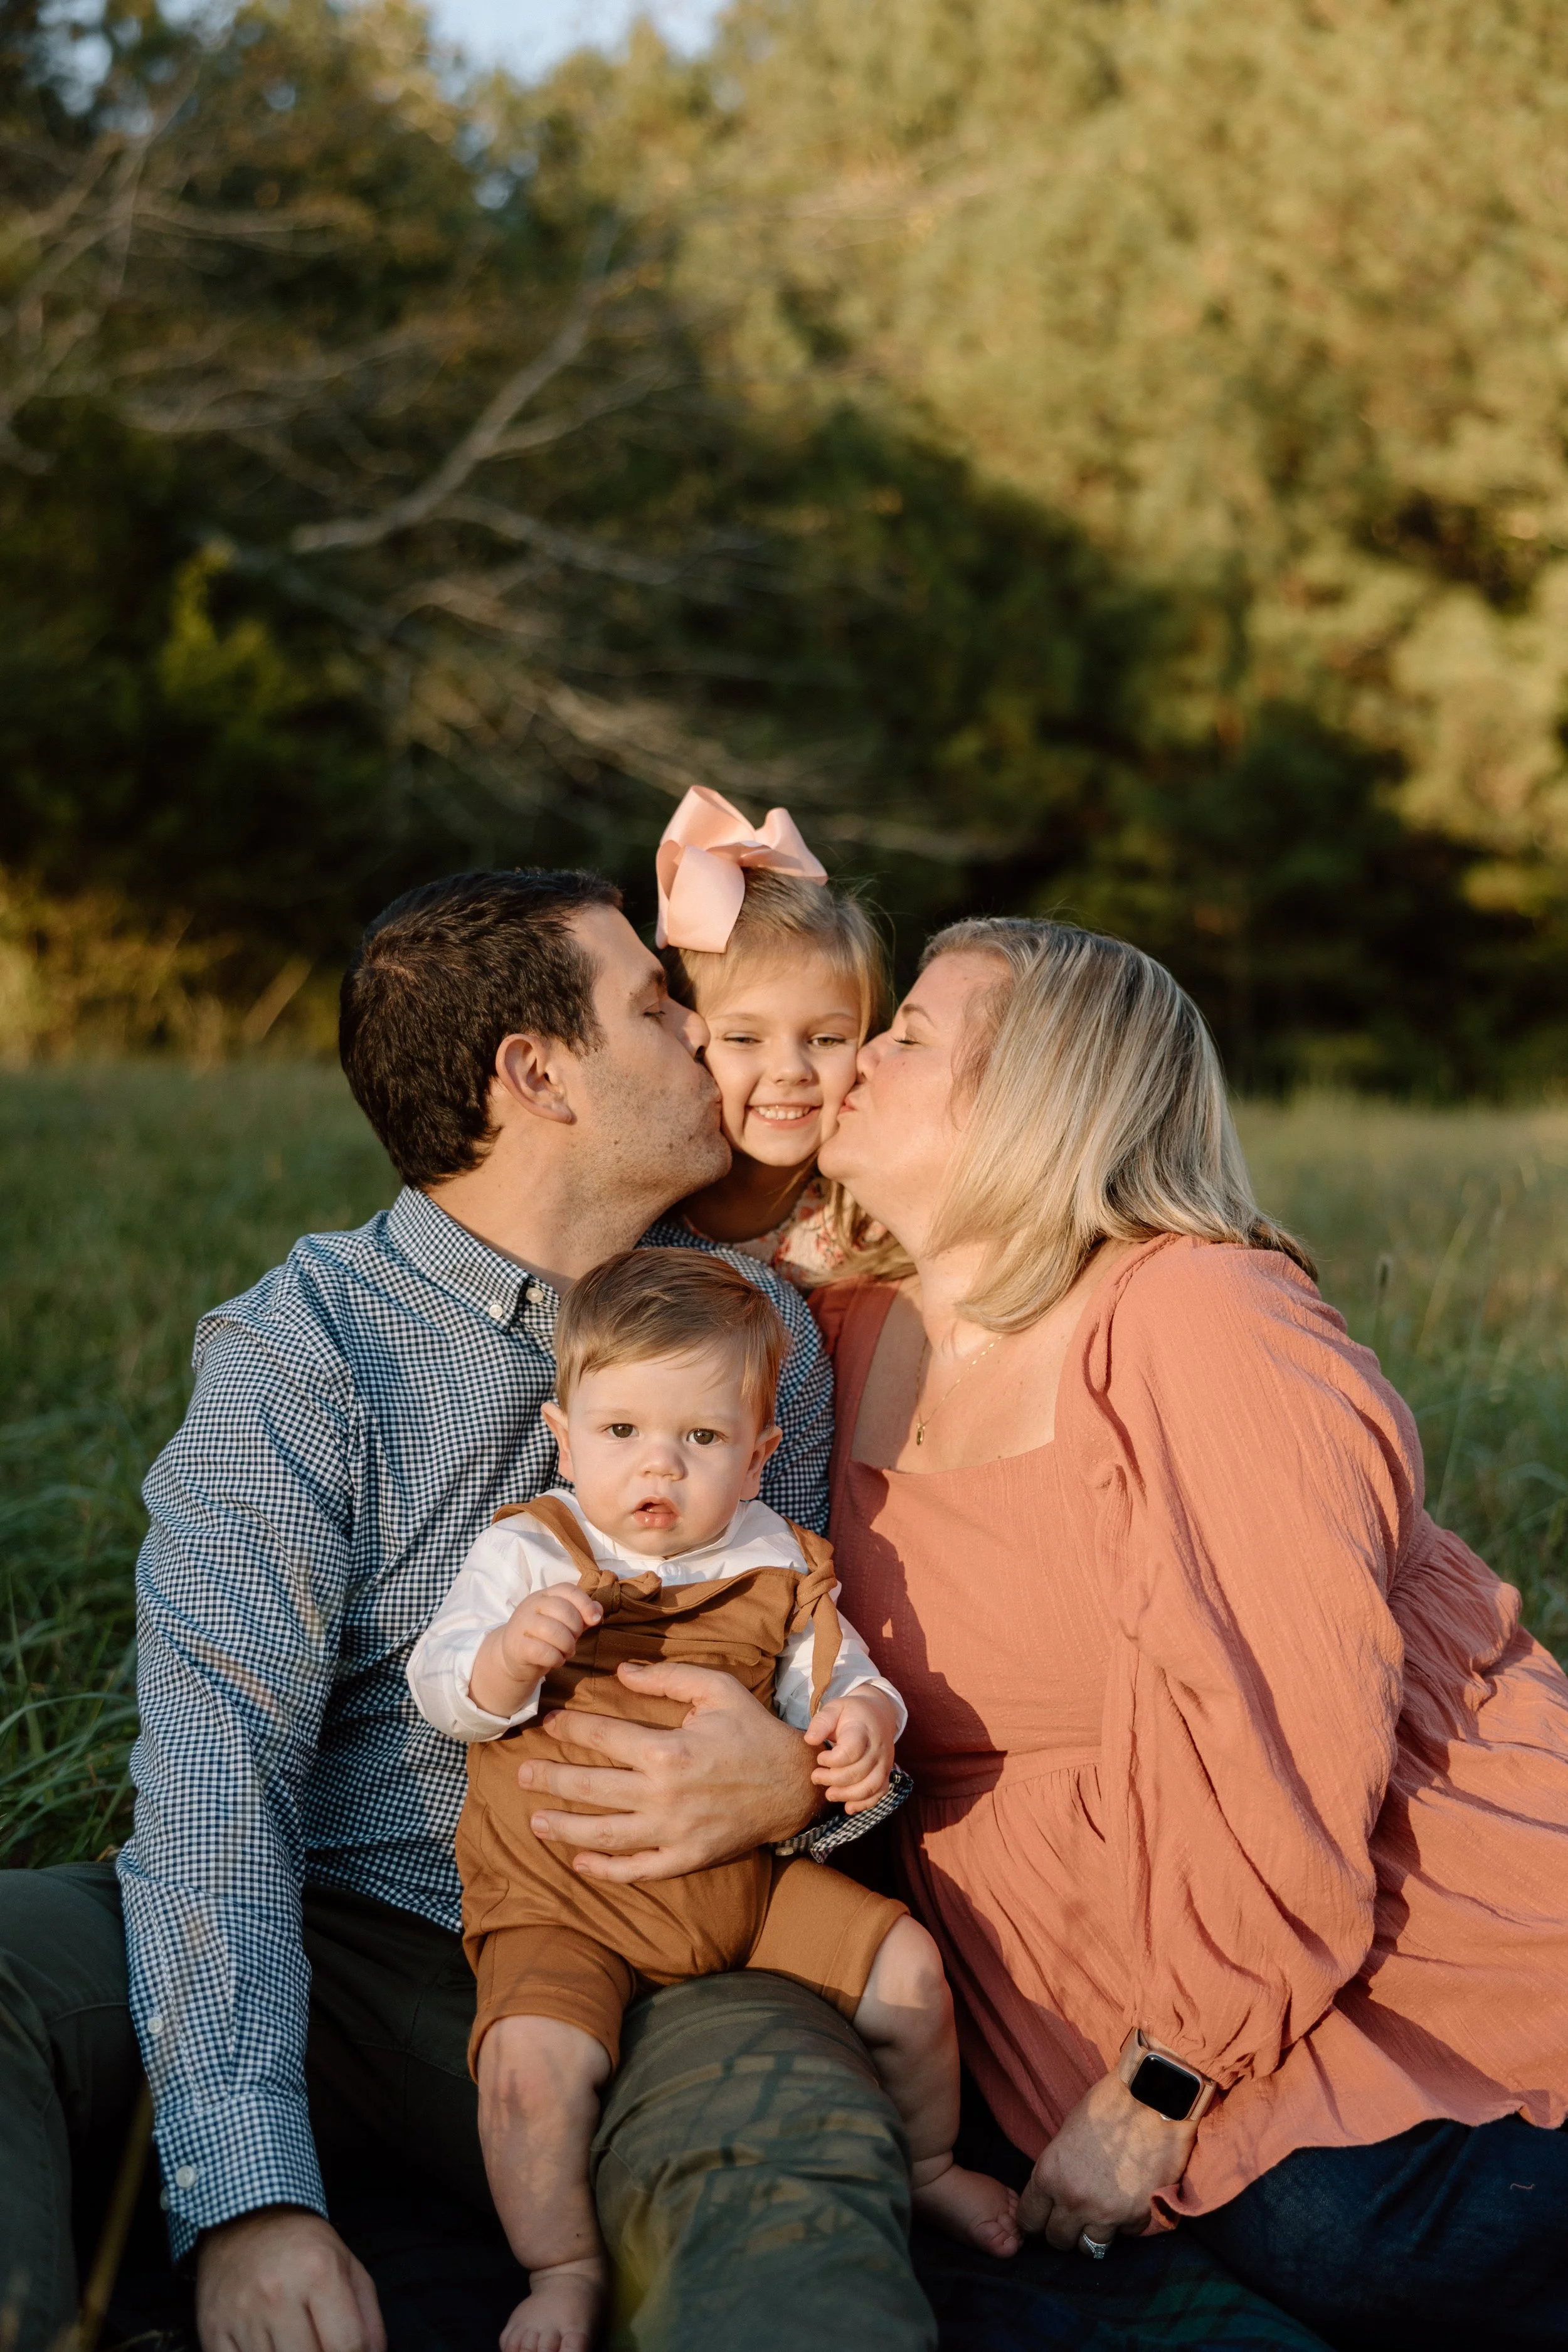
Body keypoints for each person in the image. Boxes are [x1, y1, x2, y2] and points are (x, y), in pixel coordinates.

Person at [0, 871, 935, 2352]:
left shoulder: (758, 1340)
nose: (704, 1032)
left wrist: (794, 1788)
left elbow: (818, 1642)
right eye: (655, 1004)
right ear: (534, 1072)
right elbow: (216, 1776)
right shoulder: (301, 1355)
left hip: (664, 1944)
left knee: (788, 2146)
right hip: (341, 1938)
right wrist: (250, 2200)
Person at [807, 914, 1568, 2352]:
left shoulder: (1197, 1317)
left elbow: (1291, 1733)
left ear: (1042, 1090)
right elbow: (709, 1122)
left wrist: (1160, 2082)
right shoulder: (838, 1323)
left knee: (1355, 2233)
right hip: (1081, 1956)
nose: (859, 1052)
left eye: (909, 1029)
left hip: (1369, 1898)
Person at [408, 1248, 1018, 2352]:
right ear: (564, 1434)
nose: (660, 1468)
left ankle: (928, 2162)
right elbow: (442, 1688)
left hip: (744, 1893)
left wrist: (863, 1727)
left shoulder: (779, 1561)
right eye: (623, 1433)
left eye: (700, 1440)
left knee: (913, 1976)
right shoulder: (529, 1553)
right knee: (527, 2067)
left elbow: (840, 1679)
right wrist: (504, 1660)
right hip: (565, 1901)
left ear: (757, 1457)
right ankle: (565, 2265)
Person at [654, 784, 887, 1289]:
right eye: (743, 1039)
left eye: (827, 1040)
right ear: (684, 1040)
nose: (791, 1070)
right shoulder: (641, 1213)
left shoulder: (876, 1215)